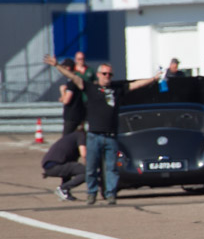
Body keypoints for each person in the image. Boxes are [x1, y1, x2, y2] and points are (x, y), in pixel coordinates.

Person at [43, 55, 161, 205]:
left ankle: (110, 194)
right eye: (104, 74)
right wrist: (57, 65)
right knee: (91, 168)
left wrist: (154, 78)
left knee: (111, 168)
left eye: (110, 74)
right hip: (94, 136)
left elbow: (136, 85)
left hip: (111, 136)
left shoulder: (117, 88)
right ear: (98, 75)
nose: (107, 77)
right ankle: (91, 194)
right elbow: (73, 77)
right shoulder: (91, 87)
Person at [41, 128, 86, 201]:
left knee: (71, 168)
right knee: (86, 172)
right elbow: (84, 154)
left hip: (50, 165)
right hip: (55, 165)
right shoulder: (81, 136)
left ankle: (64, 191)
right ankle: (63, 188)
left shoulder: (70, 138)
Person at [58, 57, 86, 135]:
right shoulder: (75, 80)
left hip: (72, 117)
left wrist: (62, 91)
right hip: (78, 115)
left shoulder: (71, 82)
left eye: (63, 68)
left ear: (68, 68)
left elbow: (66, 100)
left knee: (66, 140)